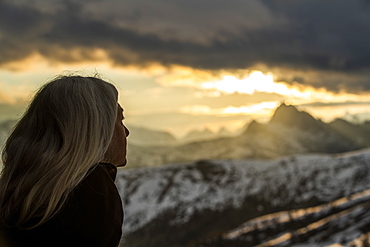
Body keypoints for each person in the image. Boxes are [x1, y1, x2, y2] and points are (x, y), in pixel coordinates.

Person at [0, 75, 129, 247]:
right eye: (119, 120)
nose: (126, 131)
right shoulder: (89, 193)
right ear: (96, 130)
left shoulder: (19, 192)